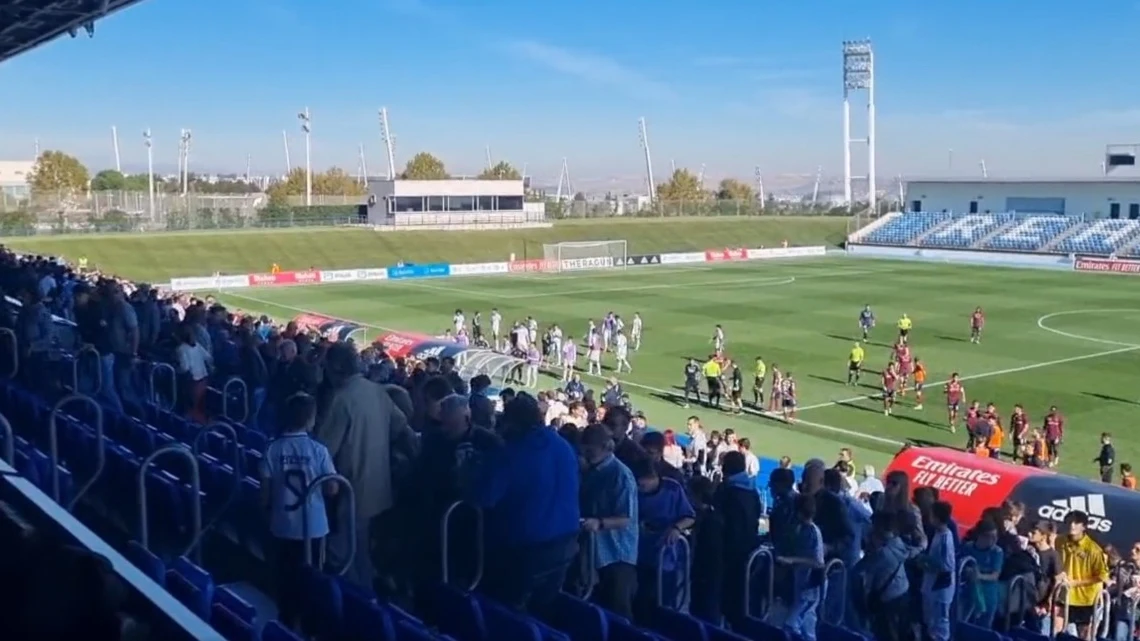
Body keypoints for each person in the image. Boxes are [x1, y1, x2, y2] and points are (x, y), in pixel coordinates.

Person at [466, 393, 581, 613]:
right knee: (543, 612)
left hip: (526, 551)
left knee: (506, 613)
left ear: (511, 423)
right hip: (566, 545)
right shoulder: (563, 446)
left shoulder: (511, 452)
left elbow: (483, 497)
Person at [315, 342, 415, 589]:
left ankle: (358, 614)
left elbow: (324, 450)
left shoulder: (342, 399)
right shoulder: (377, 391)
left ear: (334, 368)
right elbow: (401, 425)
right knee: (363, 555)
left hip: (352, 492)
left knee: (346, 557)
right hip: (380, 488)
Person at [259, 392, 337, 631]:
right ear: (311, 419)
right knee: (312, 579)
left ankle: (286, 627)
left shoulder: (273, 449)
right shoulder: (319, 450)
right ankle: (311, 630)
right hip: (313, 526)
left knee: (286, 580)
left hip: (283, 524)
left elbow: (265, 494)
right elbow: (333, 488)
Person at [578, 423, 639, 619]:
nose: (586, 452)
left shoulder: (621, 475)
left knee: (618, 610)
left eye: (591, 448)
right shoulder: (590, 471)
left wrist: (599, 523)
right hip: (593, 551)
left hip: (617, 554)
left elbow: (625, 518)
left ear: (605, 447)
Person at [632, 458, 695, 619]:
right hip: (639, 555)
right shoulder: (634, 491)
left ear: (653, 477)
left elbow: (689, 517)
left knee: (664, 605)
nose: (640, 487)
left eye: (642, 483)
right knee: (641, 602)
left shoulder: (673, 489)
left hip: (666, 558)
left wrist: (676, 528)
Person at [715, 451, 762, 626]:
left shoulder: (726, 490)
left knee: (727, 594)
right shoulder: (753, 491)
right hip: (748, 548)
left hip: (727, 550)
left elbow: (718, 518)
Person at [852, 512, 910, 641]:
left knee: (887, 634)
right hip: (903, 593)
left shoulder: (881, 553)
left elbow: (859, 570)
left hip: (888, 601)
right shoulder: (898, 543)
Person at [778, 493, 825, 641]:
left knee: (793, 624)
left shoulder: (812, 532)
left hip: (810, 587)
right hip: (802, 583)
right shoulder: (801, 529)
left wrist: (791, 560)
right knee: (806, 627)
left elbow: (818, 563)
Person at [1057, 510, 1110, 640]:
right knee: (1056, 633)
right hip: (1065, 597)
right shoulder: (1059, 541)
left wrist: (1076, 583)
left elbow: (1103, 576)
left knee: (1084, 637)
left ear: (1084, 527)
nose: (1072, 525)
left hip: (1087, 600)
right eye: (1070, 522)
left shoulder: (1093, 549)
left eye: (1076, 523)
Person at [917, 501, 956, 641]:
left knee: (940, 626)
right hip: (930, 586)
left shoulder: (946, 538)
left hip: (940, 590)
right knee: (930, 623)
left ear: (936, 517)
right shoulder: (938, 534)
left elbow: (947, 566)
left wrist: (927, 562)